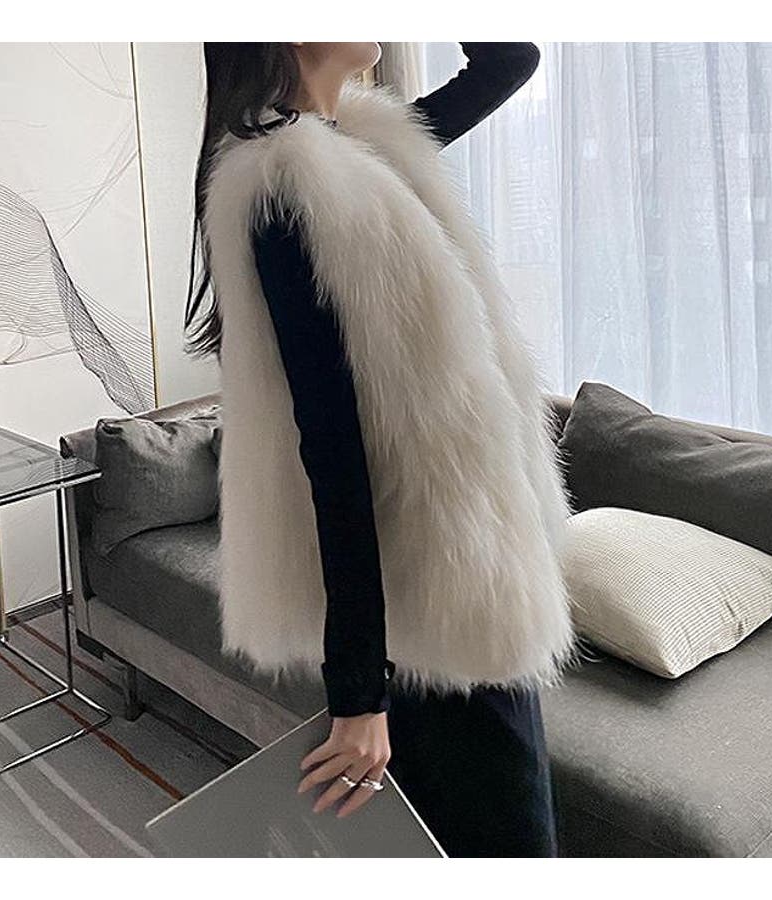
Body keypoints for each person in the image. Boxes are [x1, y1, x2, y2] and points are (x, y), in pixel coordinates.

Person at [185, 42, 577, 858]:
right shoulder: (285, 190)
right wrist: (359, 694)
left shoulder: (372, 144)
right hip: (427, 594)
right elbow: (333, 456)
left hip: (479, 570)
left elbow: (510, 59)